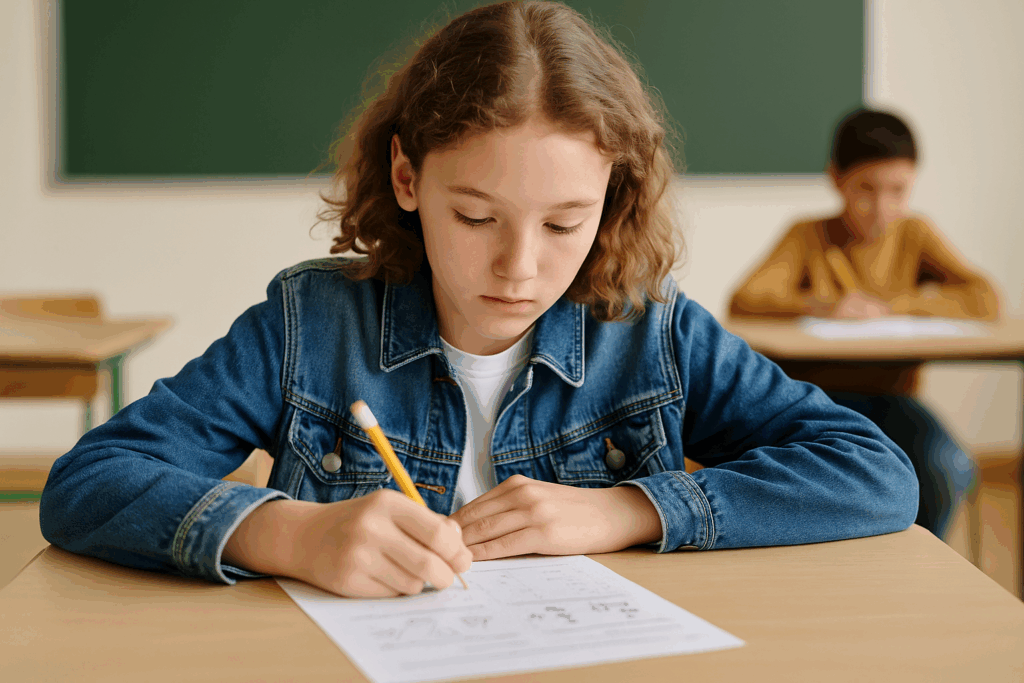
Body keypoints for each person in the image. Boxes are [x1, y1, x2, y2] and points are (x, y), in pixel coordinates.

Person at [40, 2, 917, 599]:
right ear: (407, 176)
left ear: (610, 203)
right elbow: (88, 483)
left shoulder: (650, 331)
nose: (521, 267)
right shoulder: (310, 330)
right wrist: (289, 535)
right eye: (475, 215)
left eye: (565, 223)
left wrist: (626, 508)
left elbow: (874, 472)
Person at [729, 108, 999, 539]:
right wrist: (823, 304)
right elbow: (746, 299)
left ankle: (919, 567)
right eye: (866, 190)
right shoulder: (808, 235)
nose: (882, 207)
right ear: (836, 179)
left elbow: (984, 297)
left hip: (893, 401)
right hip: (818, 400)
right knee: (825, 483)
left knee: (946, 466)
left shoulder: (915, 234)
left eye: (898, 190)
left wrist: (895, 304)